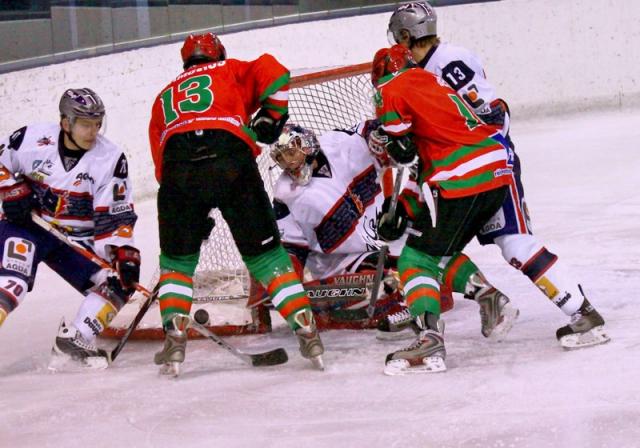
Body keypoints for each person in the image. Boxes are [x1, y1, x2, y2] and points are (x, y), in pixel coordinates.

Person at [385, 1, 609, 350]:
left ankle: (444, 321)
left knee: (439, 251)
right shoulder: (434, 65)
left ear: (405, 35)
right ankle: (580, 312)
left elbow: (490, 115)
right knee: (507, 244)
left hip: (478, 167)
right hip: (484, 162)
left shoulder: (443, 64)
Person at [148, 33, 324, 374]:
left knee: (177, 263)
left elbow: (161, 163)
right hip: (230, 158)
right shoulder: (228, 69)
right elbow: (275, 70)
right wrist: (273, 114)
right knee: (267, 257)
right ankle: (307, 330)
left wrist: (191, 213)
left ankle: (174, 343)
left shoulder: (162, 97)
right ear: (219, 54)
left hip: (178, 171)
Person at [371, 45, 517, 374]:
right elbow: (423, 154)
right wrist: (405, 206)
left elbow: (405, 153)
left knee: (414, 258)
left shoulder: (389, 88)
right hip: (495, 168)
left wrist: (396, 208)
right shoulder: (431, 82)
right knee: (438, 249)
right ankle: (488, 297)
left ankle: (429, 337)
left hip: (460, 175)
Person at [0, 88, 140, 369]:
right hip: (27, 227)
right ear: (65, 123)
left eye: (97, 124)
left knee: (119, 283)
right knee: (11, 284)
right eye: (86, 124)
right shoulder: (31, 138)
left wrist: (123, 251)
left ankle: (75, 338)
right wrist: (10, 189)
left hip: (72, 240)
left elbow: (114, 213)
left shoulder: (110, 159)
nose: (93, 131)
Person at [269, 121, 454, 334]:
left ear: (307, 143)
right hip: (342, 263)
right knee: (386, 282)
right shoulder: (285, 195)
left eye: (292, 152)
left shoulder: (338, 144)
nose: (289, 162)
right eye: (282, 158)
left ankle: (463, 290)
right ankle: (407, 306)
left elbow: (369, 130)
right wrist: (287, 286)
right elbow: (292, 250)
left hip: (381, 237)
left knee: (431, 249)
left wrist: (382, 136)